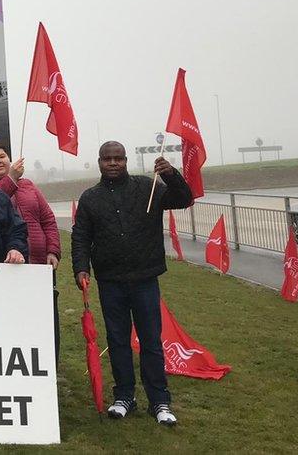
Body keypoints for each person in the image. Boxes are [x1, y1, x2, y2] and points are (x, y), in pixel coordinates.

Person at [71, 141, 193, 426]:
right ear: (99, 162)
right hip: (110, 282)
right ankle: (124, 396)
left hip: (144, 280)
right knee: (117, 341)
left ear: (126, 160)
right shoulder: (90, 198)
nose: (113, 163)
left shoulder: (148, 188)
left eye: (118, 158)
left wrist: (171, 174)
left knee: (151, 342)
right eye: (107, 159)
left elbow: (184, 198)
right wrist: (80, 268)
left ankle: (160, 401)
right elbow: (80, 237)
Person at [0, 141, 62, 361]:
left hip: (38, 264)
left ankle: (49, 364)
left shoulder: (29, 185)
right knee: (14, 319)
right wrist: (11, 179)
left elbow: (48, 219)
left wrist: (52, 250)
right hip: (7, 266)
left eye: (2, 156)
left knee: (45, 319)